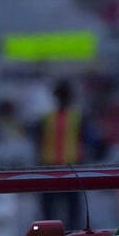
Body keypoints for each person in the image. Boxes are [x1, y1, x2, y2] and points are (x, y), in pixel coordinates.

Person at [37, 80, 87, 227]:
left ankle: (71, 232)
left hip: (70, 165)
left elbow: (82, 140)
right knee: (50, 207)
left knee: (72, 206)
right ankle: (51, 232)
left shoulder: (77, 117)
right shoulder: (47, 117)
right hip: (52, 165)